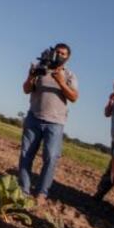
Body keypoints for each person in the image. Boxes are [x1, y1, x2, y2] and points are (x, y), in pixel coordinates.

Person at [18, 43, 79, 205]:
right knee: (26, 154)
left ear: (68, 58)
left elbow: (73, 97)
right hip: (34, 118)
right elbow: (26, 89)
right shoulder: (39, 67)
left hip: (55, 123)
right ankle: (23, 189)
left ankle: (41, 193)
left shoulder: (69, 75)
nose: (59, 55)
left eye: (63, 53)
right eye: (57, 52)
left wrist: (61, 82)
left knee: (51, 158)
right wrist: (31, 76)